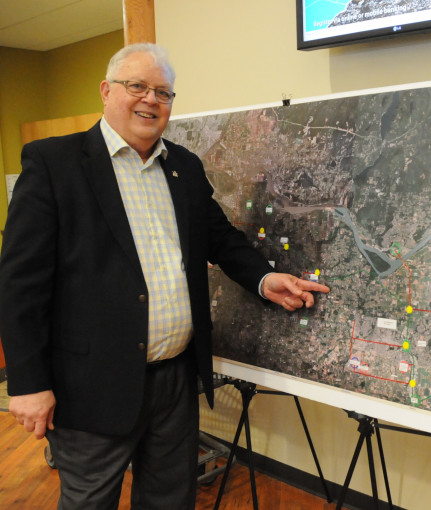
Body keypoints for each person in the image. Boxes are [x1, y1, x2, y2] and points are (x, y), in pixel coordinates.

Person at [0, 43, 330, 509]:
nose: (150, 100)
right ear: (106, 91)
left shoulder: (183, 166)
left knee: (170, 500)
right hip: (91, 383)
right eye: (137, 86)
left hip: (174, 380)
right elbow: (20, 284)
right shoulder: (54, 163)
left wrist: (263, 279)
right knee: (89, 502)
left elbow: (219, 237)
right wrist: (28, 382)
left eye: (163, 92)